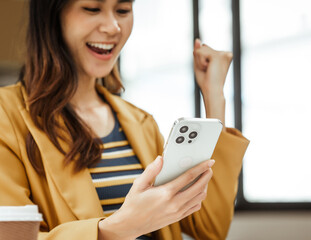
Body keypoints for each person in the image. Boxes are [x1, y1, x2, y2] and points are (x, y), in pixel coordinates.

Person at [0, 0, 249, 239]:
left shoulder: (140, 123)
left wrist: (214, 95)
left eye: (122, 10)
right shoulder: (6, 116)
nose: (113, 27)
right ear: (51, 16)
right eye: (92, 8)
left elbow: (210, 227)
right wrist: (119, 228)